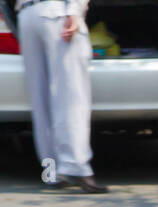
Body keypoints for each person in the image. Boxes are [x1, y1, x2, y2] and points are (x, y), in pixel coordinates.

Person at [16, 0, 107, 192]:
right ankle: (77, 167)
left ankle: (52, 173)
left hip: (26, 15)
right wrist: (74, 12)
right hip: (56, 13)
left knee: (41, 102)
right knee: (71, 96)